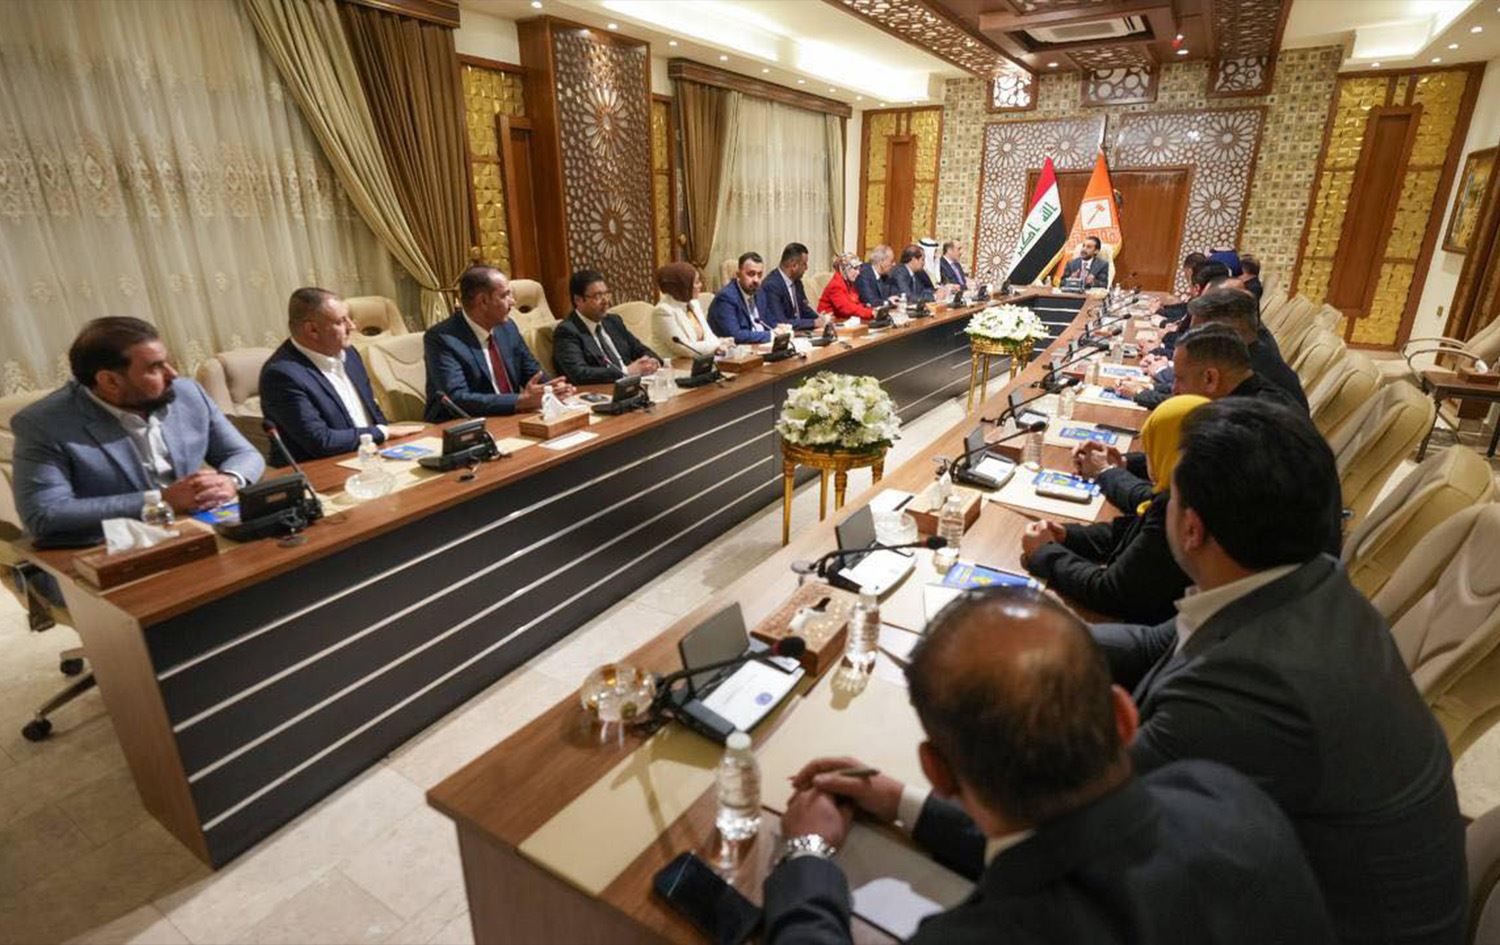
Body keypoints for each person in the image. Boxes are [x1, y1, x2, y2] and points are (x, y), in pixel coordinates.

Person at [762, 586, 1337, 945]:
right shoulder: (1225, 795)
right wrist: (901, 802)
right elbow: (1072, 843)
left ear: (939, 771)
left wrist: (806, 855)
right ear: (1123, 717)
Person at [1091, 398, 1467, 945]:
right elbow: (1154, 643)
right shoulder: (1310, 581)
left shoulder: (1251, 685)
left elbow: (1087, 826)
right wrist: (1025, 634)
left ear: (1191, 528)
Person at [12, 317, 265, 546]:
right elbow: (44, 513)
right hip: (112, 549)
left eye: (167, 362)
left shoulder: (187, 393)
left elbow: (243, 454)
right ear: (110, 381)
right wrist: (160, 501)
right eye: (155, 367)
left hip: (199, 532)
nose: (173, 374)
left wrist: (230, 480)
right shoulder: (43, 423)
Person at [1019, 395, 1202, 624]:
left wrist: (1045, 554)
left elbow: (1110, 593)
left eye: (1151, 448)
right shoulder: (1180, 492)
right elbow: (1132, 533)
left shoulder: (1177, 508)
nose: (1148, 459)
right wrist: (1069, 536)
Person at [259, 288, 418, 465]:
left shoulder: (349, 354)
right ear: (312, 330)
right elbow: (321, 441)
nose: (352, 326)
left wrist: (390, 445)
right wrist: (383, 433)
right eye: (342, 321)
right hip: (322, 468)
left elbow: (372, 412)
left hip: (370, 456)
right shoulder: (282, 375)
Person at [423, 265, 574, 421]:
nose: (513, 302)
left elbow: (532, 372)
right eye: (505, 295)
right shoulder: (442, 338)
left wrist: (553, 389)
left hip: (511, 416)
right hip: (462, 423)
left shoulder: (508, 328)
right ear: (483, 301)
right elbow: (457, 398)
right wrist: (520, 401)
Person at [551, 270, 661, 385]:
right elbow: (579, 374)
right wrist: (626, 372)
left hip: (632, 386)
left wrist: (652, 362)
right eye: (598, 296)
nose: (605, 301)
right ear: (578, 300)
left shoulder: (613, 321)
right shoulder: (567, 331)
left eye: (606, 294)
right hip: (602, 390)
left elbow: (640, 349)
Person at [1169, 324, 1298, 409]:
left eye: (1180, 379)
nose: (1174, 389)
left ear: (1210, 378)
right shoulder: (1258, 390)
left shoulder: (1241, 423)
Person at [653, 262, 726, 359]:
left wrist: (717, 345)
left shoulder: (693, 303)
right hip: (675, 365)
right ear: (683, 286)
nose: (700, 285)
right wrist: (718, 344)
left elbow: (709, 335)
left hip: (699, 361)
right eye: (696, 282)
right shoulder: (663, 311)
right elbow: (686, 348)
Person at [707, 252, 774, 344]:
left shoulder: (759, 293)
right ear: (738, 275)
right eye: (751, 274)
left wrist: (780, 328)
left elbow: (768, 322)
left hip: (760, 346)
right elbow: (735, 335)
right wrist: (770, 335)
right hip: (735, 350)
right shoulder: (726, 297)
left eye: (759, 275)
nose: (756, 280)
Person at [758, 242, 823, 331]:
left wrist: (821, 319)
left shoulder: (797, 283)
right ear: (794, 265)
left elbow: (805, 309)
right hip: (784, 334)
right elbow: (780, 322)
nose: (806, 268)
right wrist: (813, 323)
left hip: (801, 332)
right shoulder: (771, 285)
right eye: (804, 264)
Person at [817, 253, 874, 322]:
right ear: (845, 269)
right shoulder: (835, 285)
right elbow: (847, 309)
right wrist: (871, 313)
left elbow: (855, 303)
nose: (858, 272)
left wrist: (869, 309)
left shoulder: (848, 283)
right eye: (855, 268)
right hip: (829, 323)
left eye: (859, 269)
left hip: (842, 321)